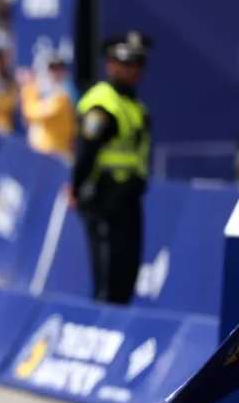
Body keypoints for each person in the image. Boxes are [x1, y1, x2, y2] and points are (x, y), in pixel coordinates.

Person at [67, 31, 153, 305]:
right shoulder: (102, 104)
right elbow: (86, 153)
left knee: (126, 275)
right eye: (127, 64)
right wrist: (77, 188)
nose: (134, 70)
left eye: (139, 64)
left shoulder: (135, 105)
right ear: (110, 65)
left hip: (129, 198)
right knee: (107, 277)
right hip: (104, 197)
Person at [19, 54, 76, 160]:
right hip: (42, 147)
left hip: (60, 149)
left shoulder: (67, 91)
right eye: (52, 69)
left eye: (59, 69)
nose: (55, 73)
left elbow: (50, 112)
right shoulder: (38, 89)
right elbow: (28, 113)